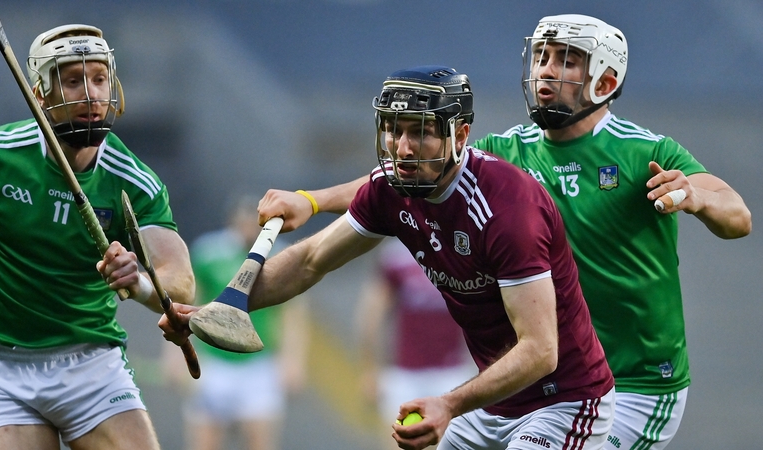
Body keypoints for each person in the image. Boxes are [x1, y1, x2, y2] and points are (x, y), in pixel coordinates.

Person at [255, 14, 753, 450]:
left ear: (604, 79)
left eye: (566, 60)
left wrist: (696, 196)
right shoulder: (506, 151)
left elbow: (737, 215)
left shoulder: (647, 152)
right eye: (541, 56)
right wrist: (314, 200)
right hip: (542, 383)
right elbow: (403, 175)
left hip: (638, 383)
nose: (546, 71)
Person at [162, 66, 616, 450]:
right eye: (394, 130)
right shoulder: (394, 189)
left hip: (565, 400)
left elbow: (539, 351)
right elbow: (309, 262)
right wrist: (214, 311)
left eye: (419, 132)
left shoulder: (508, 209)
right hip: (496, 403)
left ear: (460, 134)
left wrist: (449, 403)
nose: (401, 147)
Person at [0, 24, 194, 450]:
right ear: (40, 94)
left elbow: (179, 281)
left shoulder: (135, 181)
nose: (91, 94)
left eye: (99, 78)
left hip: (90, 363)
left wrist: (139, 280)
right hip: (1, 365)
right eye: (72, 80)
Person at [162, 195, 307, 450]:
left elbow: (292, 313)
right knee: (205, 441)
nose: (248, 230)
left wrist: (293, 360)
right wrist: (175, 356)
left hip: (259, 366)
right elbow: (183, 306)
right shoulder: (208, 253)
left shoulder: (281, 256)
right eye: (243, 224)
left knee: (259, 440)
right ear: (232, 223)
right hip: (214, 363)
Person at [354, 237, 475, 449]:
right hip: (404, 375)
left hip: (452, 376)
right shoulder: (396, 256)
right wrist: (369, 370)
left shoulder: (464, 247)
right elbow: (372, 315)